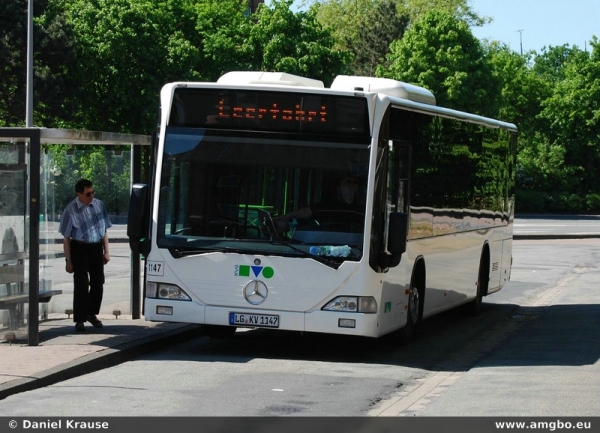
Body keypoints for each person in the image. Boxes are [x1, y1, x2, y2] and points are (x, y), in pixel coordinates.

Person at [59, 179, 112, 332]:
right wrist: (68, 260)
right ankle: (80, 319)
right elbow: (66, 238)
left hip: (95, 247)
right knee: (81, 283)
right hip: (79, 247)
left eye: (93, 192)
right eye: (88, 194)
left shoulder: (99, 205)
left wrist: (106, 252)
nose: (91, 196)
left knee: (98, 282)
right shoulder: (71, 209)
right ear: (79, 194)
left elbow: (104, 231)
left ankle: (91, 313)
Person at [273, 176, 364, 236]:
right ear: (340, 186)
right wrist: (287, 216)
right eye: (348, 182)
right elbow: (308, 211)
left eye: (355, 183)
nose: (352, 185)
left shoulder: (363, 207)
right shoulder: (329, 205)